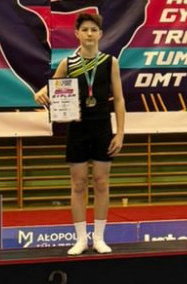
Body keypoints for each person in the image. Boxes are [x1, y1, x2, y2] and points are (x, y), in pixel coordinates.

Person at [34, 13, 125, 255]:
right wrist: (40, 93)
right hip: (77, 129)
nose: (89, 34)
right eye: (84, 29)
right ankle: (81, 239)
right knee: (78, 183)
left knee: (102, 182)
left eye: (93, 30)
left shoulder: (110, 62)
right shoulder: (68, 63)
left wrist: (120, 133)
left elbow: (119, 100)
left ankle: (99, 238)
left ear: (100, 34)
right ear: (77, 34)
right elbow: (51, 89)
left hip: (102, 128)